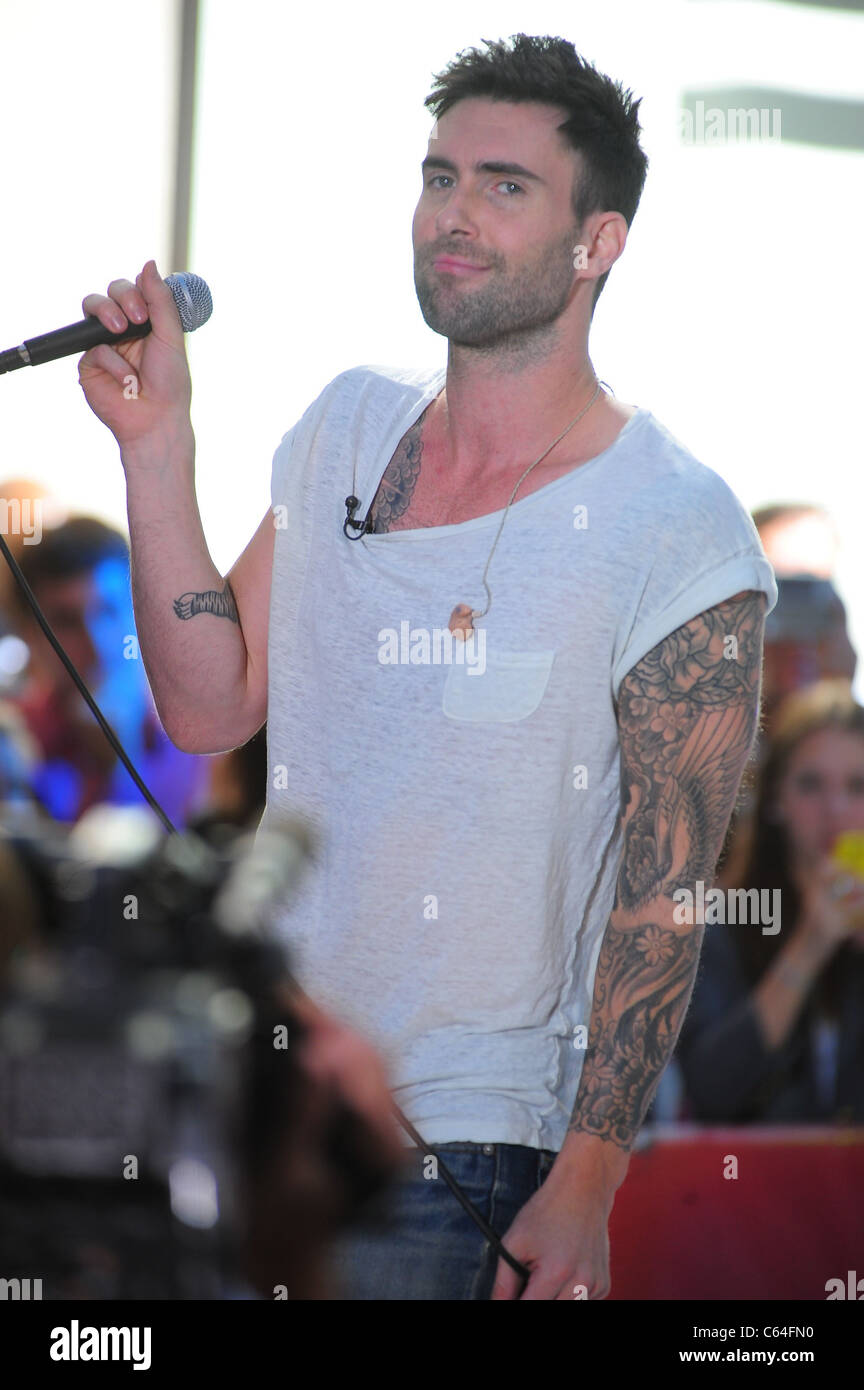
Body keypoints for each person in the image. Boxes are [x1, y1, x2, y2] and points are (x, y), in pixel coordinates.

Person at [76, 33, 778, 1300]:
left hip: (460, 1153)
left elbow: (667, 890)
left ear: (597, 241)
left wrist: (588, 1179)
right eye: (439, 175)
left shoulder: (675, 524)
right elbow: (204, 705)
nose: (453, 215)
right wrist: (154, 446)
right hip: (258, 1105)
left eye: (505, 186)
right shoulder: (346, 422)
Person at [676, 679, 864, 1123]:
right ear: (776, 799)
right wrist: (810, 945)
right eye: (810, 784)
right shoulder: (723, 918)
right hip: (752, 1185)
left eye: (858, 786)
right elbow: (713, 1091)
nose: (836, 808)